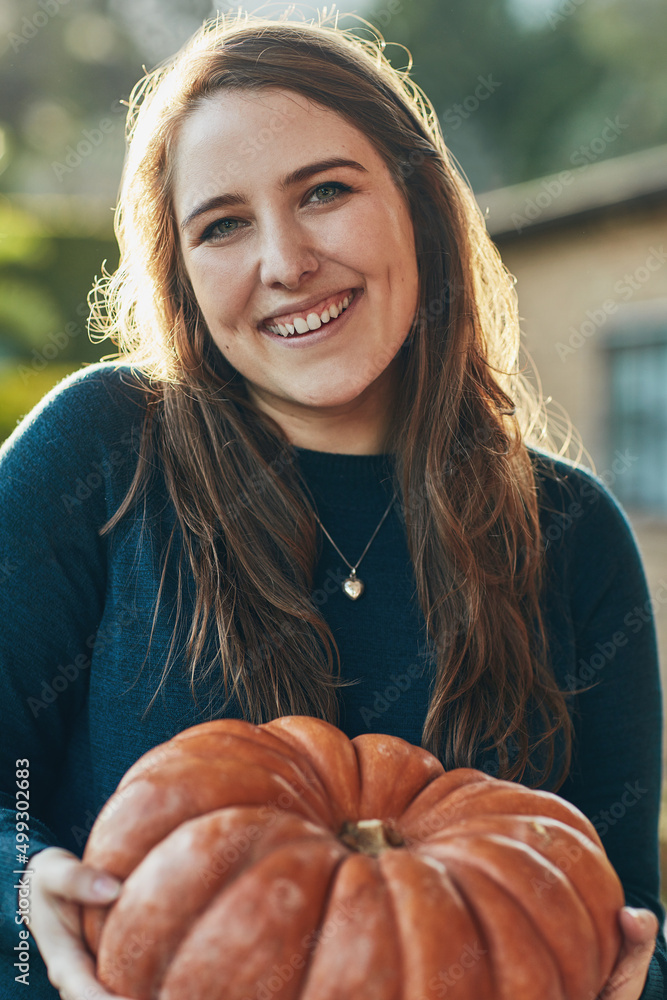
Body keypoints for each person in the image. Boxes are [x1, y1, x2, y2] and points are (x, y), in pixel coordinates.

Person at [0, 10, 664, 1000]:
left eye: (324, 192)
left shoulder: (567, 531)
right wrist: (22, 887)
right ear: (181, 272)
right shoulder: (103, 451)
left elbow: (621, 914)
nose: (284, 261)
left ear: (418, 203)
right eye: (222, 224)